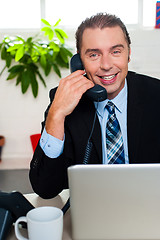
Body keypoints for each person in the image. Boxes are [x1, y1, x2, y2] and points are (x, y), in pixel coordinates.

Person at [29, 13, 160, 199]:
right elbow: (45, 189)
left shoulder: (156, 95)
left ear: (128, 54)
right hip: (91, 207)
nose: (106, 65)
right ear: (79, 62)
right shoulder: (64, 100)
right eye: (94, 55)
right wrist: (56, 114)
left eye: (115, 51)